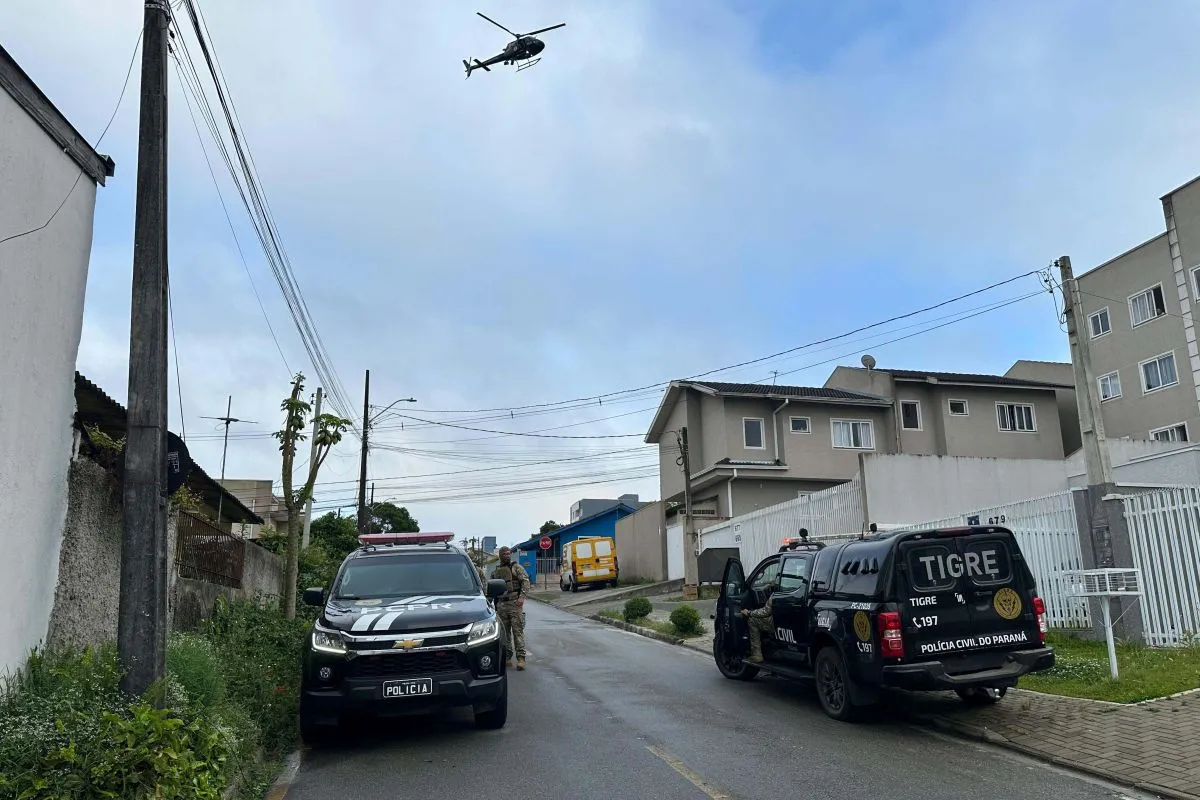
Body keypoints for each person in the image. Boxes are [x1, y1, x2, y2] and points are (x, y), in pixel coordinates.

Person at [492, 546, 531, 670]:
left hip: (514, 604)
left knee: (517, 632)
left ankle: (521, 659)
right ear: (500, 555)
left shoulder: (516, 567)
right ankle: (507, 657)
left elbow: (525, 581)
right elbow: (493, 589)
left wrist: (522, 597)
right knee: (504, 633)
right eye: (505, 553)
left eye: (509, 553)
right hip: (501, 605)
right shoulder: (496, 571)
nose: (507, 555)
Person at [741, 582, 778, 664]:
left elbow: (766, 611)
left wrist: (750, 613)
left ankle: (757, 654)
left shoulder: (777, 593)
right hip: (790, 623)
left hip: (777, 624)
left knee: (752, 620)